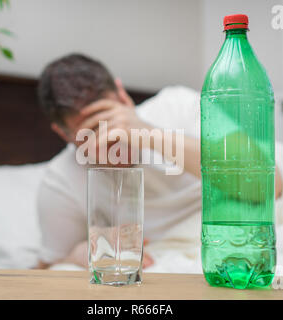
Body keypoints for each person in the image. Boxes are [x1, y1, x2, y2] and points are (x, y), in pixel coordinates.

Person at [36, 53, 283, 270]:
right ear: (63, 134)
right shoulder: (60, 181)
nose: (109, 142)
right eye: (88, 135)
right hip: (166, 253)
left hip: (238, 222)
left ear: (122, 96)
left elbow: (268, 184)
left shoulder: (177, 106)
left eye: (109, 121)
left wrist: (148, 133)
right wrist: (77, 253)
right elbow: (45, 271)